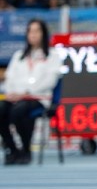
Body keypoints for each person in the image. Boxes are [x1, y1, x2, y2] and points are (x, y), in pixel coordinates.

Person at [0, 19, 62, 165]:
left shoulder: (52, 56)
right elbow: (9, 79)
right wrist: (13, 92)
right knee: (1, 108)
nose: (33, 35)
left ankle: (26, 149)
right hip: (15, 97)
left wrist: (26, 92)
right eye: (30, 31)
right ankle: (12, 149)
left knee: (18, 111)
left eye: (36, 31)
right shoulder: (18, 56)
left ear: (43, 34)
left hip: (39, 98)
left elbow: (50, 81)